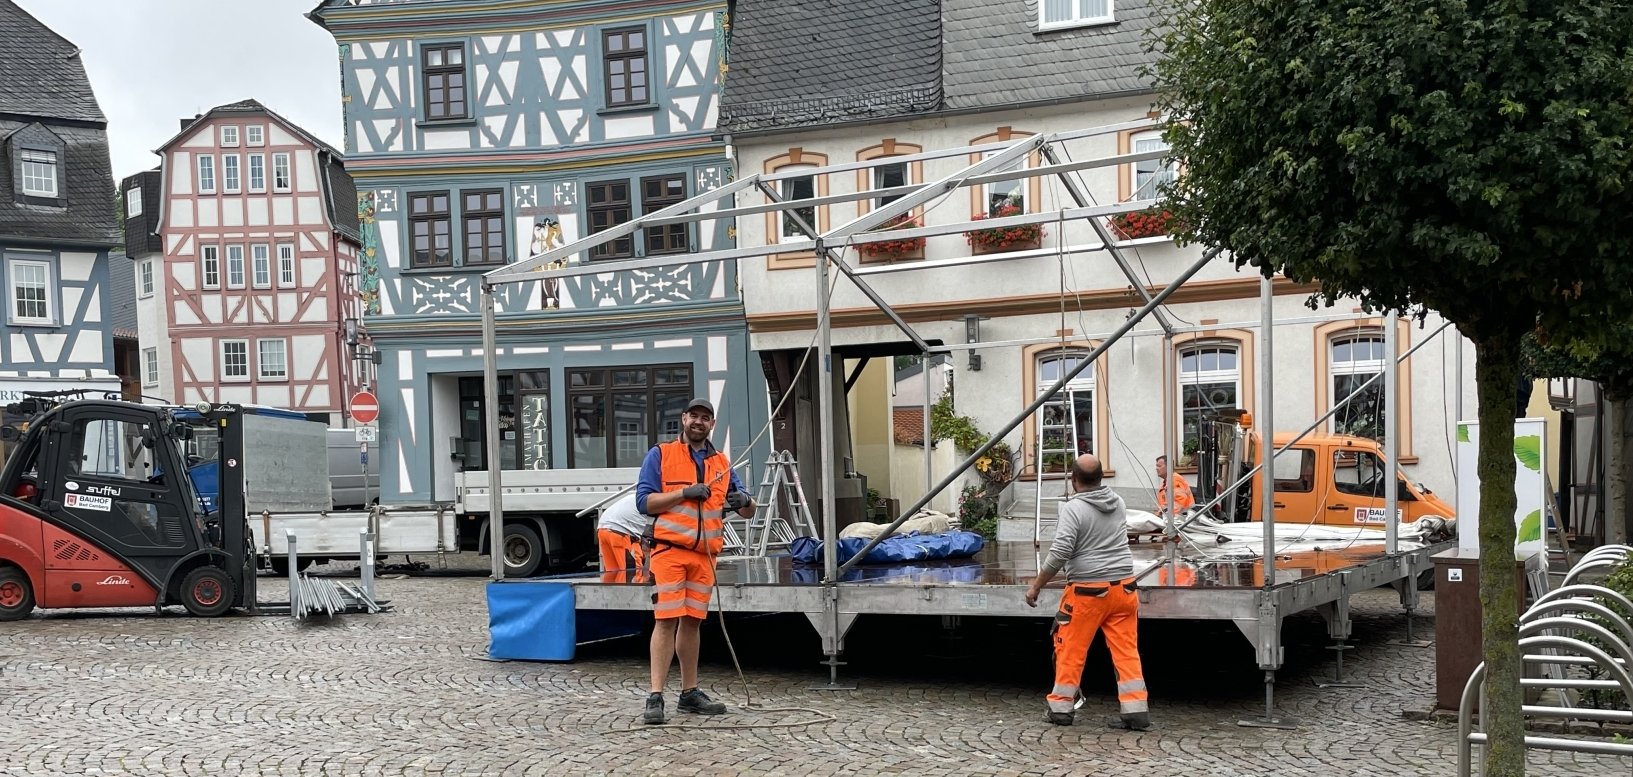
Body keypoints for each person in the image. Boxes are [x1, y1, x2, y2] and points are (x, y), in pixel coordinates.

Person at [635, 397, 756, 725]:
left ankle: (689, 693)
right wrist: (683, 493)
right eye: (694, 416)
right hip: (669, 552)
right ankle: (655, 696)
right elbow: (644, 502)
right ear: (684, 419)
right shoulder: (661, 454)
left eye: (705, 417)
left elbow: (748, 510)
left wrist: (745, 500)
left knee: (692, 622)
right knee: (666, 620)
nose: (698, 422)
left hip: (704, 557)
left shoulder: (722, 463)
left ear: (712, 424)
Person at [1025, 453, 1150, 730]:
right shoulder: (1118, 502)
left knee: (1070, 649)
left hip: (1087, 592)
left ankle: (1060, 709)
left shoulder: (1073, 509)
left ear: (1073, 479)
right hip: (1125, 588)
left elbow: (1060, 552)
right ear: (1102, 477)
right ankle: (1136, 711)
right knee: (1126, 651)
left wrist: (1036, 585)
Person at [596, 492, 650, 584]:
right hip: (621, 533)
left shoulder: (636, 496)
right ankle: (629, 593)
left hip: (603, 529)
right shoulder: (654, 502)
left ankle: (609, 593)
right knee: (630, 573)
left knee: (612, 571)